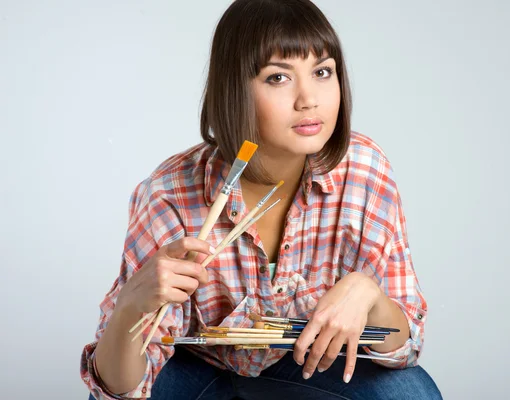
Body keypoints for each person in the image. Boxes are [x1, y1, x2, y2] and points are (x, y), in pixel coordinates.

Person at [80, 0, 442, 399]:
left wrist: (369, 297)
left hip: (308, 363)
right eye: (278, 78)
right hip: (195, 368)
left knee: (410, 392)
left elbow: (406, 343)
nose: (309, 99)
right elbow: (115, 389)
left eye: (322, 72)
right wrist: (130, 306)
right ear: (236, 89)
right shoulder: (169, 192)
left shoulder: (364, 170)